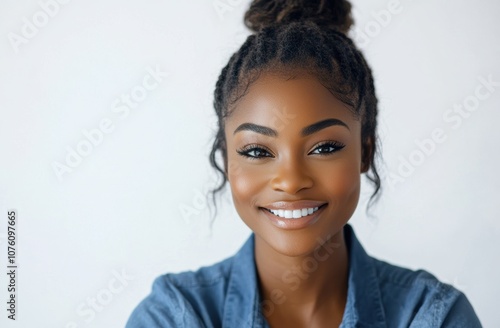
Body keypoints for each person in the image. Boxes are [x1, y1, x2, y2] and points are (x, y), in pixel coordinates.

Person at [126, 0, 482, 327]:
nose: (291, 180)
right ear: (225, 159)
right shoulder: (173, 317)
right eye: (256, 151)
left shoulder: (433, 316)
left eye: (324, 147)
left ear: (365, 153)